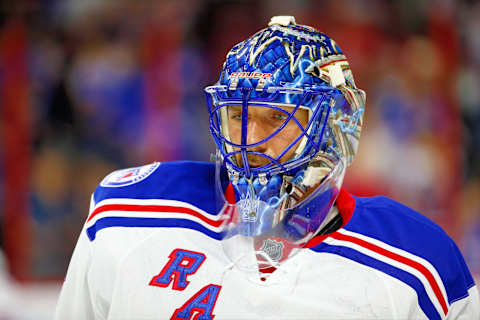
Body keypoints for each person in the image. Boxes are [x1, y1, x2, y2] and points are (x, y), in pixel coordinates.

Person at [55, 16, 479, 319]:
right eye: (239, 115)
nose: (248, 140)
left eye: (277, 117)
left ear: (337, 122)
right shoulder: (127, 213)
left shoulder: (419, 265)